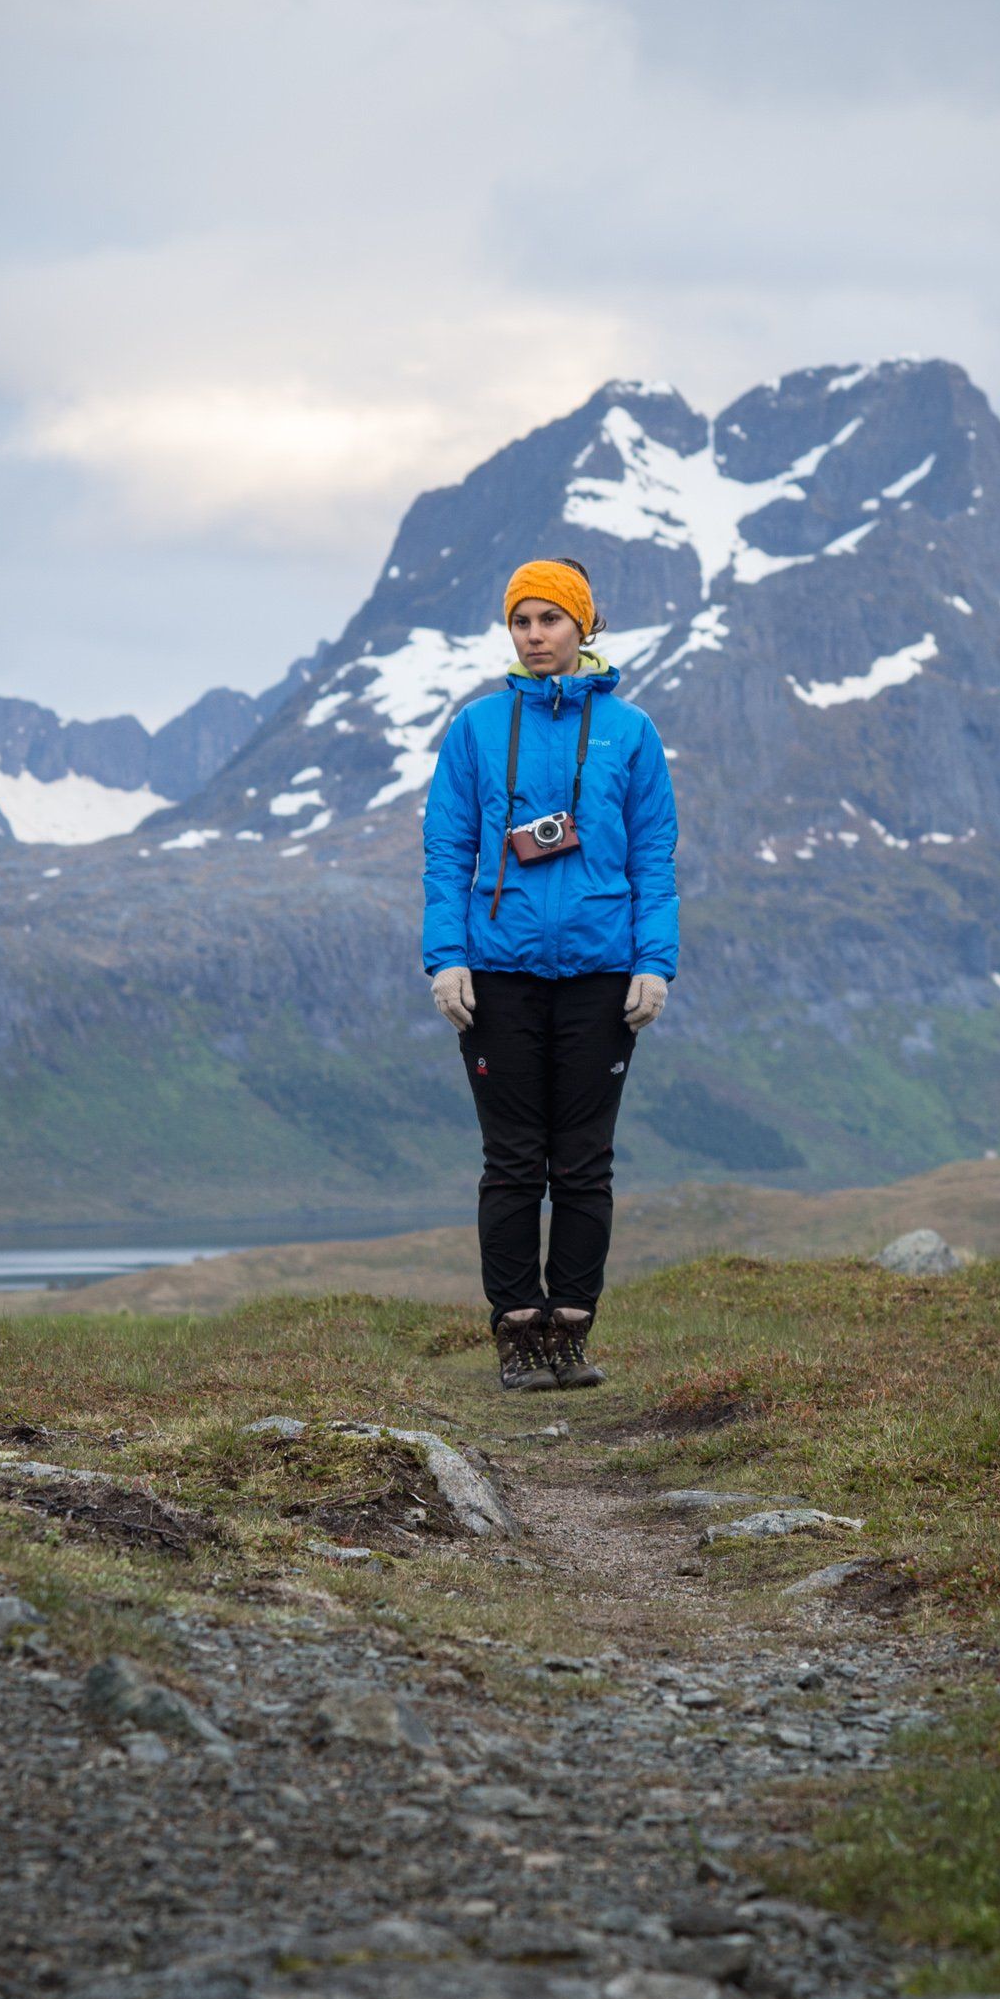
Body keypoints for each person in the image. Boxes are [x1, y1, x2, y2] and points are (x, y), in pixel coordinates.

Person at [421, 556, 679, 1391]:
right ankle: (515, 1333)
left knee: (583, 1161)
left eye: (550, 619)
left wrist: (654, 963)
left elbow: (654, 858)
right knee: (512, 1161)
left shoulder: (630, 732)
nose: (534, 636)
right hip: (498, 973)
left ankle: (569, 1331)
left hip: (603, 974)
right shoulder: (476, 729)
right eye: (521, 621)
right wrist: (446, 957)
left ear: (583, 624)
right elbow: (446, 852)